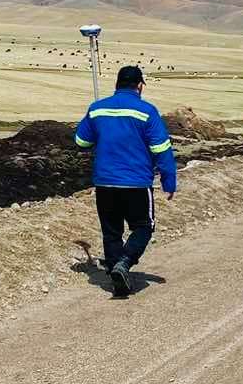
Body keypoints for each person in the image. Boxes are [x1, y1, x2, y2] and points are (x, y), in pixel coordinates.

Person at [74, 65, 178, 298]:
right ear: (139, 86)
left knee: (111, 231)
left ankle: (115, 273)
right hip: (137, 183)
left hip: (105, 183)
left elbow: (81, 141)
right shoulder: (147, 111)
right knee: (143, 226)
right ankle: (125, 262)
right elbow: (162, 150)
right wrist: (169, 182)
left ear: (116, 85)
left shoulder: (97, 109)